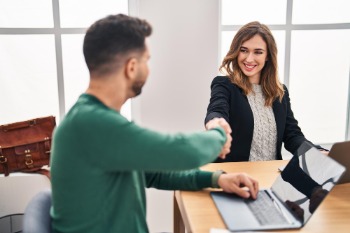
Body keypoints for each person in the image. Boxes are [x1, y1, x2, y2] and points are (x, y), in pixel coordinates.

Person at [50, 14, 259, 233]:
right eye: (146, 60)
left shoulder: (91, 118)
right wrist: (219, 135)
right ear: (131, 67)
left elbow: (154, 173)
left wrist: (218, 179)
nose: (149, 69)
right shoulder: (93, 124)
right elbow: (178, 151)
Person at [204, 21, 327, 162]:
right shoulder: (224, 85)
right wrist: (215, 123)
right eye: (244, 50)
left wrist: (315, 152)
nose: (249, 59)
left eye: (258, 52)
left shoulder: (280, 92)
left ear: (268, 56)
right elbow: (217, 110)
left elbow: (292, 135)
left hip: (270, 174)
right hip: (236, 176)